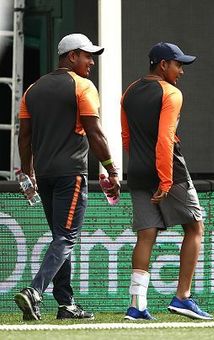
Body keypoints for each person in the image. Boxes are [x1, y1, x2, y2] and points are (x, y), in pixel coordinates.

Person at [14, 33, 121, 321]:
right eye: (88, 56)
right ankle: (34, 291)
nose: (91, 62)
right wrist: (111, 169)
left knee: (61, 238)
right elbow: (95, 132)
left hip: (46, 175)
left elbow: (24, 137)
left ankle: (66, 303)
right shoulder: (82, 85)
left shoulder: (33, 90)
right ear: (71, 56)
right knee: (66, 237)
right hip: (71, 175)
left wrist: (28, 173)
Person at [121, 42, 212, 321]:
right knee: (195, 227)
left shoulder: (129, 91)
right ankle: (182, 297)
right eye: (178, 64)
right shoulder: (171, 93)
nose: (181, 71)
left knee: (146, 234)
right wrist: (165, 178)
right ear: (163, 65)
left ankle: (137, 306)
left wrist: (140, 165)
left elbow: (126, 137)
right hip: (168, 171)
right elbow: (164, 138)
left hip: (136, 170)